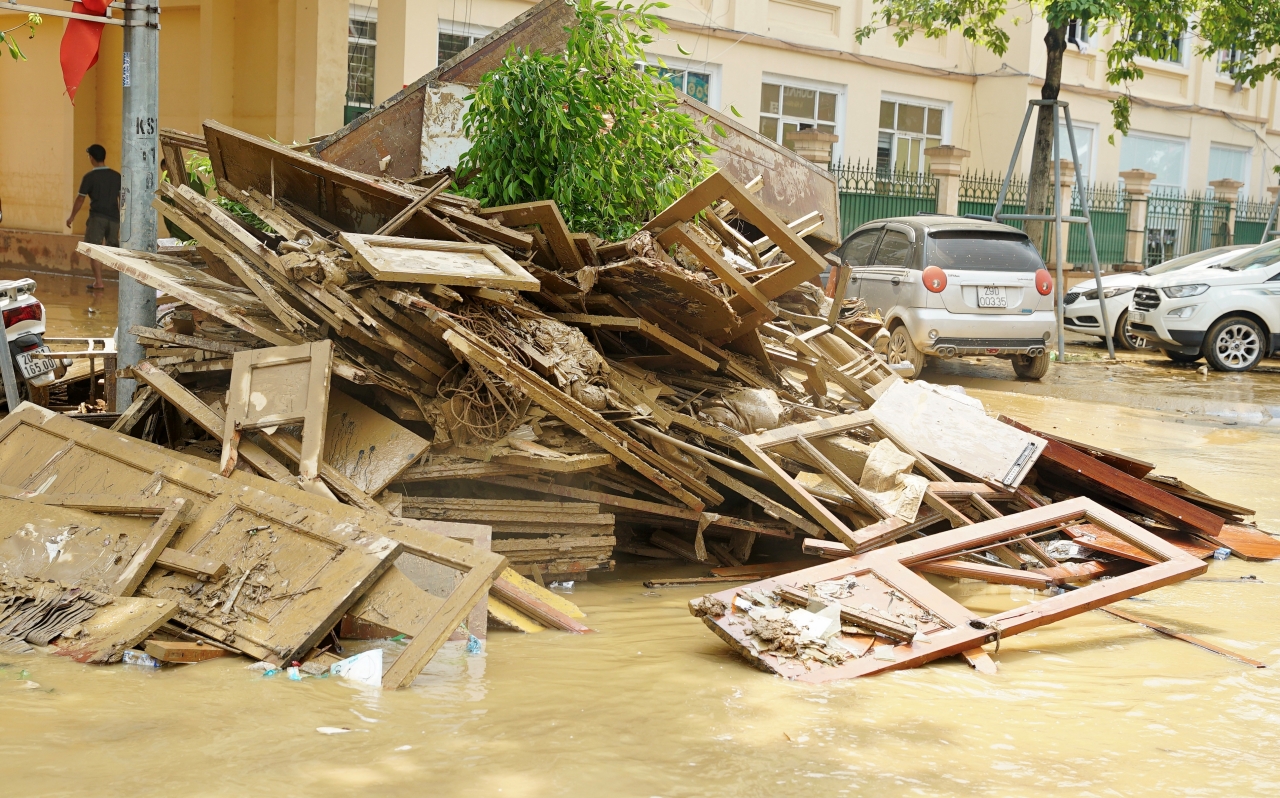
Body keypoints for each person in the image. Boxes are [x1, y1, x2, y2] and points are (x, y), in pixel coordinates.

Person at [66, 144, 121, 290]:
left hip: (97, 218)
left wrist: (72, 217)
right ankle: (124, 280)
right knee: (115, 249)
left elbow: (80, 199)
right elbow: (122, 199)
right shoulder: (116, 176)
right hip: (115, 218)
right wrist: (123, 218)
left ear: (91, 158)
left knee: (94, 249)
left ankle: (99, 282)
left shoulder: (90, 177)